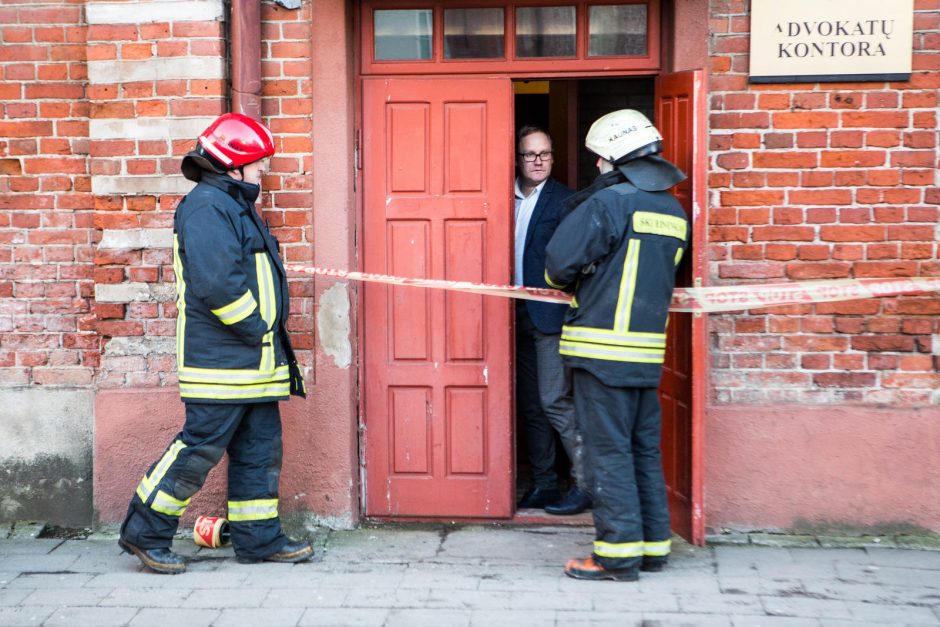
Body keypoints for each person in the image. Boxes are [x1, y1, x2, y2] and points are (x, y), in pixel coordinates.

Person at [118, 112, 311, 574]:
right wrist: (258, 328)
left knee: (259, 453)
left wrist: (264, 341)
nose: (264, 171)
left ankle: (259, 539)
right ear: (233, 163)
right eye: (259, 163)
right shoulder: (207, 206)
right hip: (222, 363)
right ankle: (143, 534)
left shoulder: (233, 204)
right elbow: (218, 284)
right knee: (197, 452)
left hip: (254, 365)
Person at [545, 109, 690, 581]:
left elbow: (557, 268)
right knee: (642, 450)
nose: (597, 168)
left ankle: (616, 555)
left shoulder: (608, 204)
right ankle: (653, 546)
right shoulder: (672, 209)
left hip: (600, 353)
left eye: (599, 159)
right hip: (646, 357)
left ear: (611, 159)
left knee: (607, 453)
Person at [513, 126, 590, 515]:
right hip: (510, 313)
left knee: (553, 400)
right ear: (518, 159)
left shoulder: (566, 200)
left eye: (545, 153)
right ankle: (544, 483)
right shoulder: (498, 196)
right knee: (529, 404)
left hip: (549, 314)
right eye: (530, 154)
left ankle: (584, 481)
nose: (538, 160)